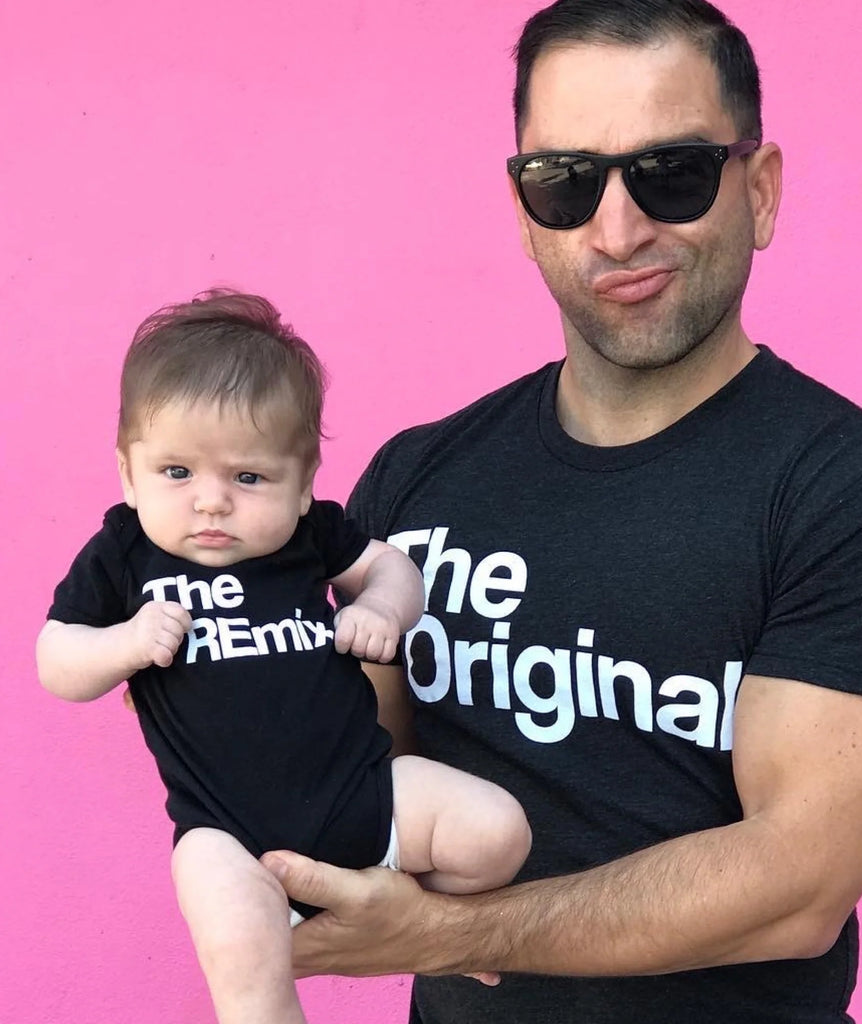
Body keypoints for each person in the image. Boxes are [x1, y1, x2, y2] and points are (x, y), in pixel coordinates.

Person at [260, 2, 862, 1022]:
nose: (617, 230)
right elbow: (348, 767)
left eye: (671, 173)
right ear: (523, 211)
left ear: (760, 190)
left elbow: (796, 886)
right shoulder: (418, 477)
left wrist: (454, 934)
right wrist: (219, 673)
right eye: (565, 182)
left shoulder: (856, 500)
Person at [36, 290, 531, 1024]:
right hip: (229, 836)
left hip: (368, 796)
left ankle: (434, 927)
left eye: (248, 477)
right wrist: (124, 643)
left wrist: (380, 609)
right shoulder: (124, 555)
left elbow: (394, 568)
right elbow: (56, 658)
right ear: (128, 474)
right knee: (239, 952)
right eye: (176, 472)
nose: (211, 502)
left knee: (498, 830)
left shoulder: (312, 536)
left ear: (302, 486)